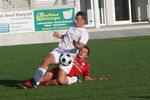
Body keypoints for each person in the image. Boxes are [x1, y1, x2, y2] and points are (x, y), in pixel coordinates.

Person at [33, 11, 89, 87]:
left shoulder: (84, 33)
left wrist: (75, 44)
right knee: (46, 61)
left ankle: (75, 79)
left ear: (83, 20)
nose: (76, 21)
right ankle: (35, 83)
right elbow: (67, 36)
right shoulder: (72, 24)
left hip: (69, 56)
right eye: (75, 19)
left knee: (61, 80)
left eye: (78, 20)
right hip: (60, 49)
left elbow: (81, 46)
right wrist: (59, 36)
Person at [21, 46, 107, 88]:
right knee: (45, 76)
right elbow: (62, 59)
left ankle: (74, 79)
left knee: (56, 82)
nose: (81, 53)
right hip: (59, 69)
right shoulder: (72, 56)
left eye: (84, 52)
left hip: (67, 76)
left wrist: (96, 79)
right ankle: (27, 83)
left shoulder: (86, 65)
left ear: (86, 56)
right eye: (81, 51)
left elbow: (86, 78)